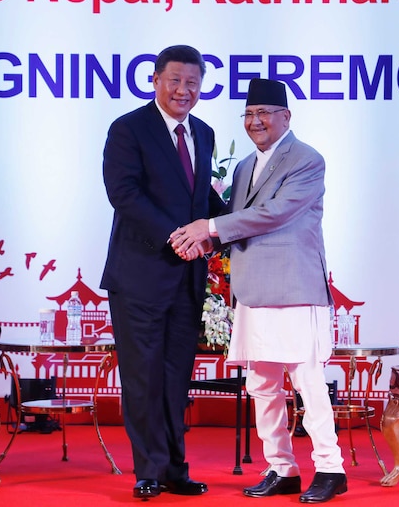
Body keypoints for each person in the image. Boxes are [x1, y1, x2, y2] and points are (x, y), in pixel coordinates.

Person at [170, 78, 347, 503]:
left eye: (265, 113)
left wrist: (208, 228)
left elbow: (275, 213)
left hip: (293, 285)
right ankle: (282, 466)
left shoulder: (306, 160)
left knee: (307, 380)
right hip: (252, 289)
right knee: (261, 384)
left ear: (286, 117)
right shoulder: (245, 165)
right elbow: (239, 219)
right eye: (249, 114)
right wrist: (205, 239)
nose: (256, 121)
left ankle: (330, 467)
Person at [101, 44, 225, 499]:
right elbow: (124, 194)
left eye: (193, 82)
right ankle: (147, 471)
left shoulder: (205, 133)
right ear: (155, 79)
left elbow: (201, 203)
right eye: (175, 80)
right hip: (139, 277)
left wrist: (228, 224)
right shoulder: (128, 129)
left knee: (176, 377)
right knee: (143, 376)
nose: (184, 90)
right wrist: (177, 235)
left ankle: (176, 468)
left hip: (187, 280)